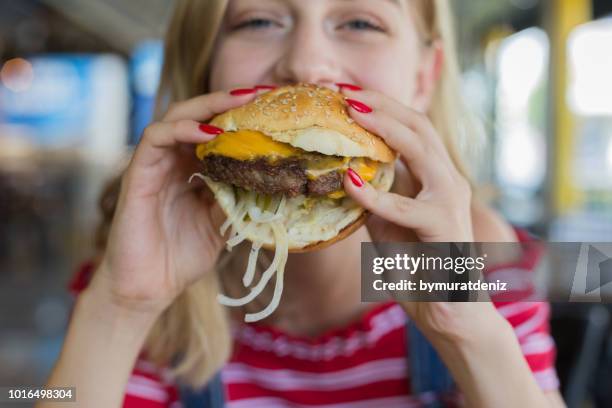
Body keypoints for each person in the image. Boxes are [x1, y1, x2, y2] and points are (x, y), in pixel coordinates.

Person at [40, 0, 566, 407]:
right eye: (259, 20)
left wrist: (463, 326)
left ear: (423, 77)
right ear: (205, 63)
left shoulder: (495, 263)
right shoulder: (129, 274)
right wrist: (121, 310)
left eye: (361, 22)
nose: (306, 63)